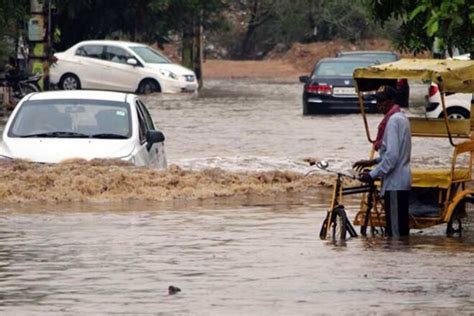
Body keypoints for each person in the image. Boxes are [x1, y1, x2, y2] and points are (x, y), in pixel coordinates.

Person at [353, 85, 412, 238]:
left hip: (395, 184)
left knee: (396, 235)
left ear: (392, 101)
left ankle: (394, 261)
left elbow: (392, 158)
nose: (379, 105)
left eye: (382, 101)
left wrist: (372, 175)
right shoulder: (401, 118)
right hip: (401, 181)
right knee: (399, 230)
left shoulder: (393, 122)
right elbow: (393, 153)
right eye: (377, 101)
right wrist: (372, 162)